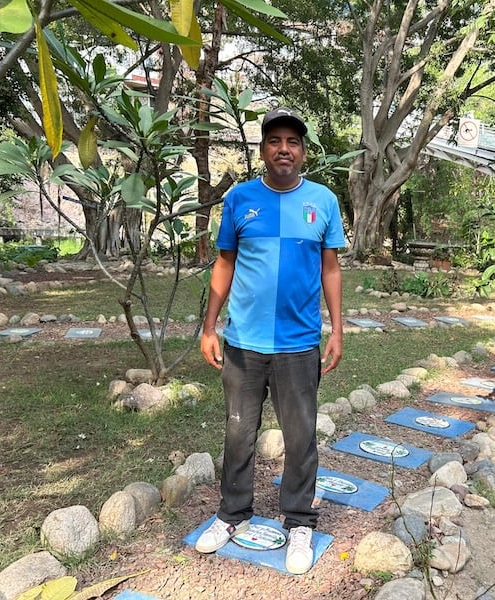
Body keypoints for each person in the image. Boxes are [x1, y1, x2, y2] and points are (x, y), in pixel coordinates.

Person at [196, 107, 345, 575]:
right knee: (238, 433)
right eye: (275, 140)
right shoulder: (240, 199)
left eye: (292, 141)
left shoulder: (323, 201)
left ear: (303, 152)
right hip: (244, 343)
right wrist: (209, 327)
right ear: (263, 150)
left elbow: (330, 269)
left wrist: (337, 329)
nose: (284, 149)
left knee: (300, 438)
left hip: (299, 345)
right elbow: (224, 263)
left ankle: (299, 521)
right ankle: (232, 513)